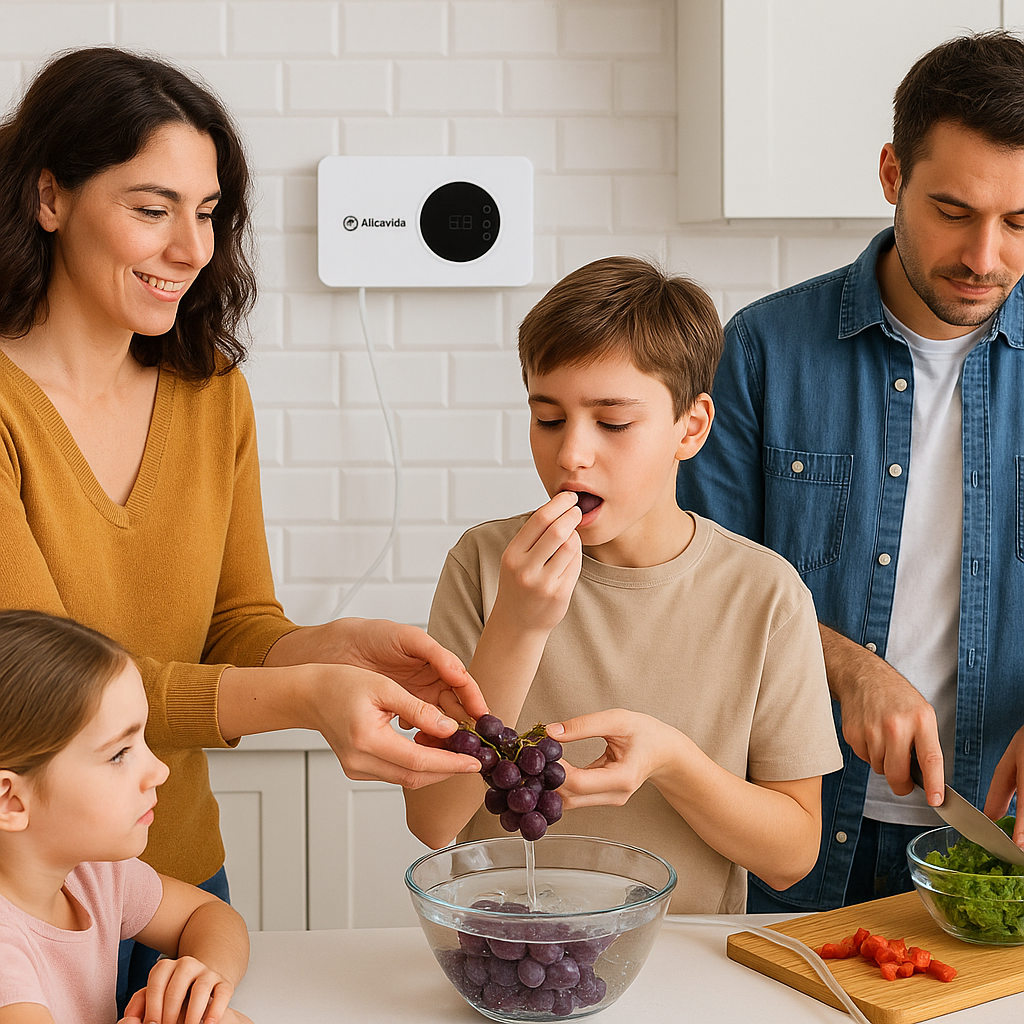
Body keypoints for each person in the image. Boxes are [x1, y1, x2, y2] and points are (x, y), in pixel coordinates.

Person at [0, 47, 487, 1007]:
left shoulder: (212, 393)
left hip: (170, 885)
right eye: (152, 208)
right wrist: (306, 696)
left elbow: (237, 627)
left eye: (209, 212)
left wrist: (327, 651)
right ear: (48, 198)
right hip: (28, 909)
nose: (193, 249)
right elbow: (47, 700)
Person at [676, 30, 1024, 914]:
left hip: (992, 841)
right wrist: (839, 663)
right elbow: (696, 586)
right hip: (790, 835)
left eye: (1020, 222)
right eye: (953, 210)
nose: (985, 256)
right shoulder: (760, 351)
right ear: (890, 175)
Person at [403, 257, 843, 913]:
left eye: (612, 423)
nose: (571, 454)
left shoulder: (766, 594)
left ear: (690, 428)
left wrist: (673, 762)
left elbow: (791, 856)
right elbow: (433, 820)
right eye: (548, 419)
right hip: (507, 957)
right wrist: (519, 628)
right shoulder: (482, 564)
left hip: (688, 971)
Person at [0, 609, 253, 1024]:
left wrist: (202, 980)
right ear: (10, 800)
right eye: (119, 754)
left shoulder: (92, 876)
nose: (160, 771)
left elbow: (209, 915)